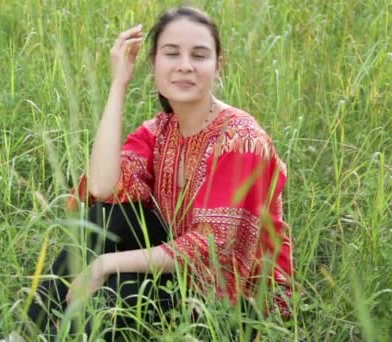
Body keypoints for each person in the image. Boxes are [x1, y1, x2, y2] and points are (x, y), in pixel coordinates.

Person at [25, 6, 294, 341]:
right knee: (105, 220)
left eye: (199, 55)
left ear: (217, 66)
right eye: (171, 53)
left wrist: (105, 264)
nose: (185, 66)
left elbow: (210, 247)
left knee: (118, 293)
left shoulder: (241, 139)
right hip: (182, 276)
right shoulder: (159, 132)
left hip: (236, 302)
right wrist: (118, 85)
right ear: (153, 65)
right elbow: (102, 188)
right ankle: (22, 336)